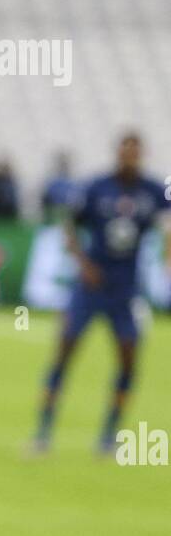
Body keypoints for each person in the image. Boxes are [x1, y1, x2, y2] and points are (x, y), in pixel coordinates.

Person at [32, 133, 171, 454]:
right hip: (90, 287)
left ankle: (109, 435)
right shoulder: (97, 188)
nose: (130, 157)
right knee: (64, 352)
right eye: (125, 151)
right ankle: (43, 431)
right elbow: (69, 227)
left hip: (125, 290)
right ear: (118, 153)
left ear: (142, 154)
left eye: (135, 152)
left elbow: (167, 226)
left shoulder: (152, 192)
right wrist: (84, 264)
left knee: (128, 360)